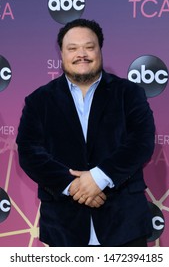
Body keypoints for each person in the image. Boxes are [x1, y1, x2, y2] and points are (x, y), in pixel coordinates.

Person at [16, 18, 155, 247]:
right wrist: (72, 186)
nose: (82, 54)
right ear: (61, 53)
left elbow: (141, 142)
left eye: (89, 47)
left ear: (100, 50)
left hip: (125, 226)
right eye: (72, 48)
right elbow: (29, 153)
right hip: (63, 228)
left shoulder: (129, 93)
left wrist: (100, 177)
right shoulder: (38, 101)